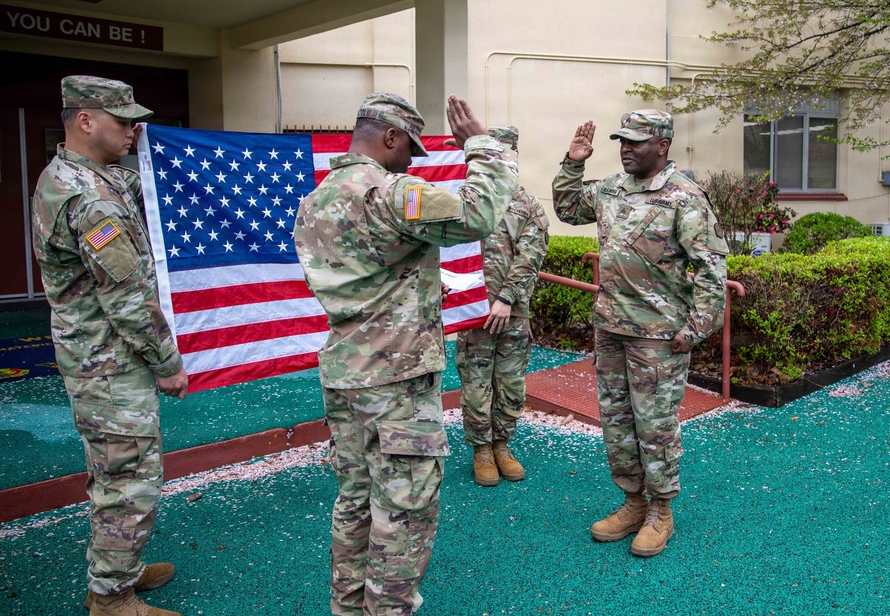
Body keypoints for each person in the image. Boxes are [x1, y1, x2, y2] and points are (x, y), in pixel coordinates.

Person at [294, 93, 517, 615]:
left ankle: (349, 609)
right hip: (395, 380)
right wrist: (482, 148)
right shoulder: (389, 194)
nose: (412, 160)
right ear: (389, 137)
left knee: (355, 500)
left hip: (346, 371)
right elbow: (479, 213)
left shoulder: (318, 197)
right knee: (405, 510)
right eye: (408, 148)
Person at [31, 76, 188, 616]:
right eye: (123, 121)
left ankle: (120, 565)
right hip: (110, 362)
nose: (134, 130)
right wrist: (167, 362)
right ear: (85, 120)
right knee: (128, 480)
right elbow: (126, 296)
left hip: (95, 358)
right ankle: (112, 598)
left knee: (113, 469)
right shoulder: (89, 197)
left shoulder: (75, 176)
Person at [551, 110, 728, 558]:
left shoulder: (684, 198)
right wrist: (573, 163)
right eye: (622, 141)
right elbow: (569, 210)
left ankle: (661, 511)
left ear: (662, 145)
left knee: (654, 425)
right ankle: (632, 502)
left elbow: (711, 271)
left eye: (636, 141)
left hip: (659, 336)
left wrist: (695, 329)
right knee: (616, 421)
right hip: (610, 328)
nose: (626, 148)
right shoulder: (610, 189)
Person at [455, 125, 549, 487]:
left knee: (510, 384)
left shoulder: (527, 205)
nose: (500, 161)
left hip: (512, 311)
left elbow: (531, 256)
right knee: (477, 384)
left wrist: (507, 298)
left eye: (505, 154)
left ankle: (502, 445)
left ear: (514, 157)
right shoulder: (465, 199)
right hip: (473, 310)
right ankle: (481, 450)